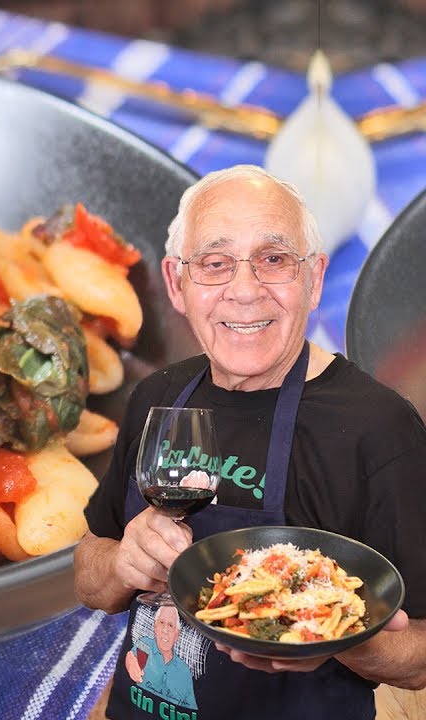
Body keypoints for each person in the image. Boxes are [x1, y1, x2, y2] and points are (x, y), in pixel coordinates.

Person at [74, 164, 426, 719]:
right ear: (177, 285)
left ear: (314, 280)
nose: (243, 290)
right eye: (214, 264)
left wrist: (338, 635)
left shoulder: (378, 428)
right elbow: (89, 571)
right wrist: (122, 561)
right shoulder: (158, 397)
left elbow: (421, 652)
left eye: (274, 260)